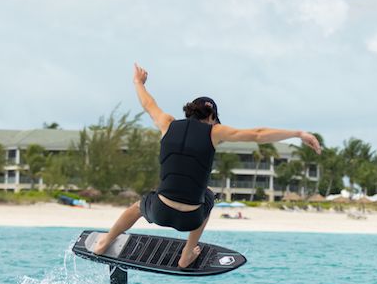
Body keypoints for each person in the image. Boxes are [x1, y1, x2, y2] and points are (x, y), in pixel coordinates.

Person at [94, 63, 321, 267]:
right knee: (209, 196)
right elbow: (258, 134)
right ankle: (187, 253)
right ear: (211, 116)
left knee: (137, 208)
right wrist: (298, 133)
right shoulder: (214, 131)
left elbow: (147, 103)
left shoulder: (167, 123)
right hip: (191, 218)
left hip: (160, 211)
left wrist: (138, 82)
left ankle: (105, 241)